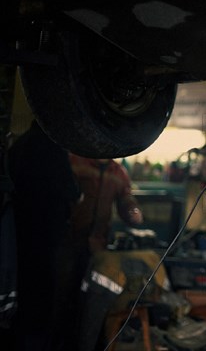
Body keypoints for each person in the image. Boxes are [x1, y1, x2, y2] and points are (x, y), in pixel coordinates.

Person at [6, 120, 81, 351]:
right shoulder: (53, 150)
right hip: (47, 236)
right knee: (42, 298)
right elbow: (73, 192)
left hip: (18, 233)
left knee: (21, 292)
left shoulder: (18, 147)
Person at [62, 154, 143, 350]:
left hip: (97, 250)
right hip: (68, 244)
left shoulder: (118, 173)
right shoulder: (75, 162)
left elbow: (126, 199)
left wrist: (133, 211)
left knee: (90, 303)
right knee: (64, 299)